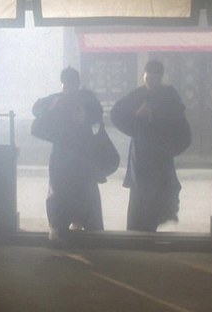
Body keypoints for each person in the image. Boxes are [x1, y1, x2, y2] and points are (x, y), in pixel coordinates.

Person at [110, 60, 191, 232]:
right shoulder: (137, 95)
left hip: (160, 155)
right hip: (140, 153)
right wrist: (136, 119)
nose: (151, 83)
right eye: (148, 79)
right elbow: (116, 114)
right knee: (139, 196)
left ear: (160, 78)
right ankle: (136, 233)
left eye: (155, 79)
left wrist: (168, 147)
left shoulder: (169, 97)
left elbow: (182, 129)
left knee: (158, 196)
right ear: (144, 77)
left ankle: (151, 230)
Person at [32, 67, 104, 242]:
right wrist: (53, 107)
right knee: (62, 191)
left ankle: (78, 227)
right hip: (66, 154)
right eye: (66, 85)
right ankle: (59, 227)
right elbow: (36, 108)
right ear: (63, 84)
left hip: (78, 154)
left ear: (77, 84)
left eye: (71, 85)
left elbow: (97, 114)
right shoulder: (57, 99)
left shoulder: (87, 100)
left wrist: (83, 115)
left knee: (82, 191)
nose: (69, 89)